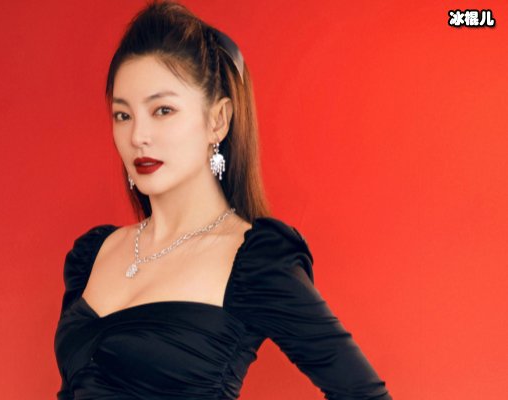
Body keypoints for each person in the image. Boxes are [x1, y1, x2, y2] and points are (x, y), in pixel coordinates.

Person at [54, 1, 392, 399]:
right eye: (123, 115)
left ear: (218, 120)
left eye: (163, 110)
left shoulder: (253, 261)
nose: (137, 136)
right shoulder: (93, 254)